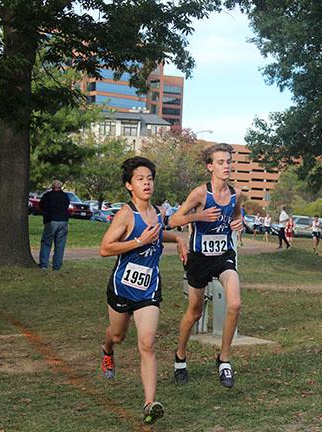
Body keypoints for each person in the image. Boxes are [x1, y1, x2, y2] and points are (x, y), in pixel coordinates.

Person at [98, 157, 188, 425]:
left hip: (149, 287)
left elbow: (159, 234)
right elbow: (105, 248)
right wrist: (138, 241)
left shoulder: (159, 213)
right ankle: (106, 350)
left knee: (147, 342)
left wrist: (179, 238)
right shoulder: (126, 214)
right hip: (122, 285)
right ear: (129, 185)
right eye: (140, 179)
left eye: (149, 178)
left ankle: (149, 404)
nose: (147, 183)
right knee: (117, 334)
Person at [168, 143, 244, 389]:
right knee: (195, 312)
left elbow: (236, 215)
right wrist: (196, 217)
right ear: (210, 167)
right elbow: (173, 220)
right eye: (221, 162)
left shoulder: (236, 194)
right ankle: (180, 356)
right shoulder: (200, 194)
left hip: (224, 255)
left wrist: (239, 223)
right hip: (200, 258)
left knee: (235, 303)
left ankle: (224, 360)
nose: (227, 166)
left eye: (229, 162)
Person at [39, 180, 70, 271]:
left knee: (46, 243)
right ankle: (57, 266)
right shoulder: (65, 196)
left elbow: (41, 206)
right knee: (60, 245)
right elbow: (67, 206)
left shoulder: (48, 196)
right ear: (60, 187)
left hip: (51, 221)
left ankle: (44, 264)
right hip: (63, 221)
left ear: (52, 187)